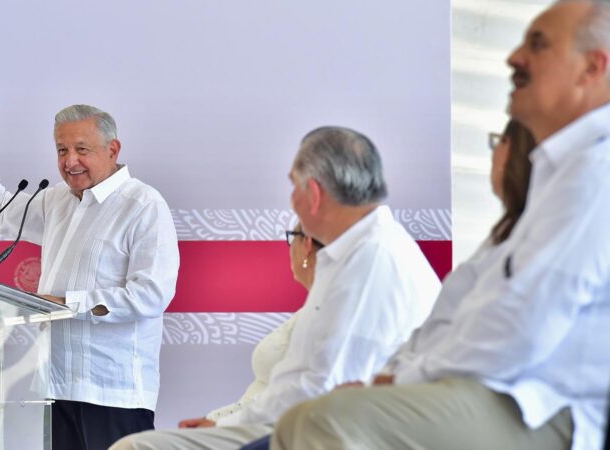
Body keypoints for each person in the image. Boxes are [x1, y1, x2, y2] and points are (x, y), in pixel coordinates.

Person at [269, 1, 610, 449]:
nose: (514, 58)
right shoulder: (559, 178)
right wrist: (397, 377)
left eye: (538, 44)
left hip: (539, 404)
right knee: (307, 421)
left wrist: (401, 381)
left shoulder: (594, 173)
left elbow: (518, 328)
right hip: (499, 389)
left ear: (593, 67)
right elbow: (458, 317)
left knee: (322, 422)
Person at [111, 126, 442, 449]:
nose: (292, 201)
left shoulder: (369, 261)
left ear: (313, 193)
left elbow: (317, 387)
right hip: (304, 423)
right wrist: (223, 422)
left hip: (324, 431)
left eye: (293, 186)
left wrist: (226, 424)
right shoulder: (363, 251)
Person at [0, 98, 180, 450]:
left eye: (81, 149)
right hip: (56, 388)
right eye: (61, 150)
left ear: (112, 149)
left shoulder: (143, 205)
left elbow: (151, 293)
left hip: (114, 393)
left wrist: (67, 303)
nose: (69, 161)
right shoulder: (56, 200)